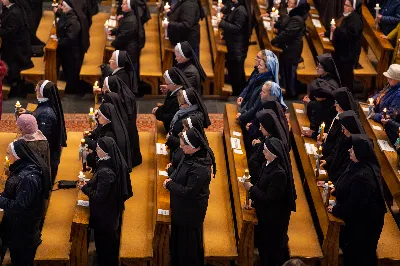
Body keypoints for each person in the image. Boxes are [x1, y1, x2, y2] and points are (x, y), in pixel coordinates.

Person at [328, 134, 386, 266]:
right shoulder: (356, 164)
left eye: (353, 149)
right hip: (358, 222)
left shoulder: (364, 177)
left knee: (357, 258)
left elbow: (354, 206)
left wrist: (336, 209)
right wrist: (336, 189)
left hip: (364, 227)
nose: (349, 150)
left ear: (360, 153)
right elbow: (347, 181)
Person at [163, 127, 215, 266]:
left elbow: (189, 192)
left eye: (183, 145)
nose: (180, 147)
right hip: (181, 208)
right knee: (179, 239)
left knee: (188, 245)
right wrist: (172, 175)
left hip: (190, 212)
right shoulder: (189, 155)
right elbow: (180, 170)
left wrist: (170, 185)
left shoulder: (200, 168)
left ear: (194, 147)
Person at [79, 137, 133, 266]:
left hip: (105, 217)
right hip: (110, 213)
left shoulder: (106, 172)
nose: (96, 150)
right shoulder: (109, 163)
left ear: (105, 151)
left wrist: (84, 188)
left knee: (105, 247)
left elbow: (98, 196)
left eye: (98, 148)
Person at [243, 137, 296, 266]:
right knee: (263, 246)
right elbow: (260, 185)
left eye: (266, 151)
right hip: (264, 213)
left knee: (270, 250)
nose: (263, 153)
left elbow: (269, 198)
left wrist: (251, 188)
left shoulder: (279, 174)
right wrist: (252, 199)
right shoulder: (266, 164)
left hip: (273, 219)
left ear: (274, 154)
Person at [0, 139, 50, 265]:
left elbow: (20, 205)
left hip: (23, 232)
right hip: (19, 229)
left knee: (21, 260)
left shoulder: (28, 177)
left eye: (8, 154)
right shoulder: (22, 169)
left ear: (17, 156)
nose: (6, 157)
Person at [18, 80, 67, 182]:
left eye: (37, 89)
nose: (35, 90)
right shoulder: (46, 105)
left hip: (46, 159)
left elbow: (42, 140)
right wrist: (28, 113)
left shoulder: (46, 113)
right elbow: (39, 116)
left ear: (42, 92)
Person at [271, 0, 309, 97]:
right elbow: (284, 24)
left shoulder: (297, 19)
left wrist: (275, 40)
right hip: (288, 47)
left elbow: (288, 33)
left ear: (296, 5)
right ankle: (287, 89)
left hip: (292, 49)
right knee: (285, 69)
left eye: (291, 3)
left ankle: (291, 93)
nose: (288, 4)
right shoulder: (293, 15)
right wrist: (276, 25)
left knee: (290, 71)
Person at [103, 76, 142, 167]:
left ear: (110, 87)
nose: (102, 88)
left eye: (104, 86)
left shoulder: (116, 99)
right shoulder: (125, 95)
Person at [325, 0, 363, 92]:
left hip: (348, 54)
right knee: (339, 74)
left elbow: (350, 35)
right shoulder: (344, 15)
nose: (344, 7)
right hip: (340, 51)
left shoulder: (356, 19)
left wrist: (336, 30)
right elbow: (337, 27)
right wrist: (327, 33)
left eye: (347, 5)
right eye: (344, 4)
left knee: (346, 77)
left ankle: (347, 96)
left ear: (353, 8)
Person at [320, 110, 366, 183]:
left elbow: (345, 167)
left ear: (349, 127)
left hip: (338, 180)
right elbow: (335, 150)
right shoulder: (344, 135)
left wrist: (333, 183)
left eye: (344, 128)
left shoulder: (355, 145)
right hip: (333, 173)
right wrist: (327, 160)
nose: (342, 130)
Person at [55, 0, 90, 93]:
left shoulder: (73, 20)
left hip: (73, 52)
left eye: (63, 6)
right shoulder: (68, 15)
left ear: (67, 8)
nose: (61, 8)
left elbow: (70, 38)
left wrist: (59, 41)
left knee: (72, 71)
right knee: (68, 69)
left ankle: (72, 89)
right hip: (69, 51)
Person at [0, 0, 33, 98]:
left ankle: (14, 87)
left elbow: (10, 32)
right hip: (14, 46)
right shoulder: (11, 9)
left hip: (17, 50)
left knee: (11, 64)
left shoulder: (14, 12)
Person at [218, 0, 251, 96]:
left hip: (238, 46)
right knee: (233, 69)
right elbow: (230, 19)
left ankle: (239, 94)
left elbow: (237, 28)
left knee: (237, 72)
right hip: (233, 44)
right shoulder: (236, 6)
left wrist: (221, 23)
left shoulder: (241, 10)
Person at [86, 103, 132, 170]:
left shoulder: (109, 134)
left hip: (108, 164)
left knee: (89, 156)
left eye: (99, 115)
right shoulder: (106, 124)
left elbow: (102, 149)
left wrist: (88, 143)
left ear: (106, 118)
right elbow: (98, 132)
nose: (96, 117)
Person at [237, 51, 279, 125]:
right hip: (248, 112)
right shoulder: (259, 76)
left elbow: (256, 107)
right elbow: (250, 90)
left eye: (261, 65)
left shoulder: (266, 85)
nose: (258, 66)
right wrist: (242, 98)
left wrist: (242, 117)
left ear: (267, 68)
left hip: (254, 120)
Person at [248, 109, 290, 182]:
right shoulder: (269, 134)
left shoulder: (274, 142)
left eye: (262, 127)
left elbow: (265, 158)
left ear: (268, 127)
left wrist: (258, 145)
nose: (260, 129)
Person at [167, 88, 211, 154]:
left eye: (181, 104)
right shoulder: (185, 111)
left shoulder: (191, 120)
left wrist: (170, 138)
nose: (179, 106)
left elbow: (189, 143)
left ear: (188, 104)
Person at [320, 87, 358, 157]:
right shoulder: (339, 113)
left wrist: (323, 146)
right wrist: (327, 136)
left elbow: (338, 144)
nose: (334, 104)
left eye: (336, 102)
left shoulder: (346, 121)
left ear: (342, 103)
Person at [109, 0, 144, 74]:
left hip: (129, 52)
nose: (121, 5)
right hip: (128, 50)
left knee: (128, 73)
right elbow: (122, 28)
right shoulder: (128, 16)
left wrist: (113, 43)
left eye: (124, 4)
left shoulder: (130, 21)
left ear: (129, 7)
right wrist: (113, 31)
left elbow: (123, 37)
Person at [152, 67, 192, 131]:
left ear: (174, 84)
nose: (166, 86)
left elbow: (172, 116)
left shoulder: (179, 98)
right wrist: (159, 108)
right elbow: (168, 107)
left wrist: (158, 113)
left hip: (174, 129)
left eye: (167, 84)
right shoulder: (173, 91)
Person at [16, 114, 51, 180]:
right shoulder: (42, 139)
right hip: (42, 175)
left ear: (22, 129)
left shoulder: (22, 145)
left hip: (27, 179)